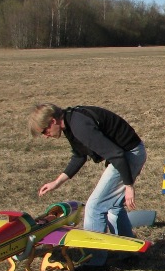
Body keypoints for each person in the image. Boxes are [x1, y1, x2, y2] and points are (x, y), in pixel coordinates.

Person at [29, 103, 147, 247]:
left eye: (44, 131)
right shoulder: (69, 122)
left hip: (129, 155)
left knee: (95, 207)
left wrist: (128, 185)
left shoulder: (79, 126)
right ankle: (128, 250)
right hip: (125, 154)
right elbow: (79, 155)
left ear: (53, 121)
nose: (46, 136)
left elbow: (116, 154)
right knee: (113, 206)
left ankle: (94, 257)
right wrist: (57, 182)